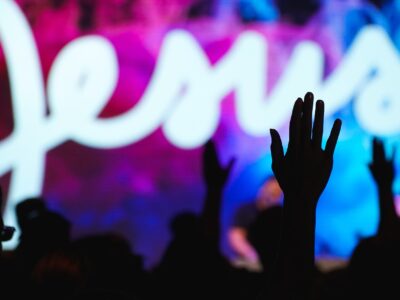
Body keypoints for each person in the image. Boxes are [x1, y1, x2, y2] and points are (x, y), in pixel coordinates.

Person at [228, 176, 283, 271]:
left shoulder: (281, 214)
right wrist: (253, 255)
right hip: (250, 263)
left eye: (276, 194)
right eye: (270, 192)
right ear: (262, 189)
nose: (272, 197)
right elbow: (236, 237)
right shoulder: (247, 210)